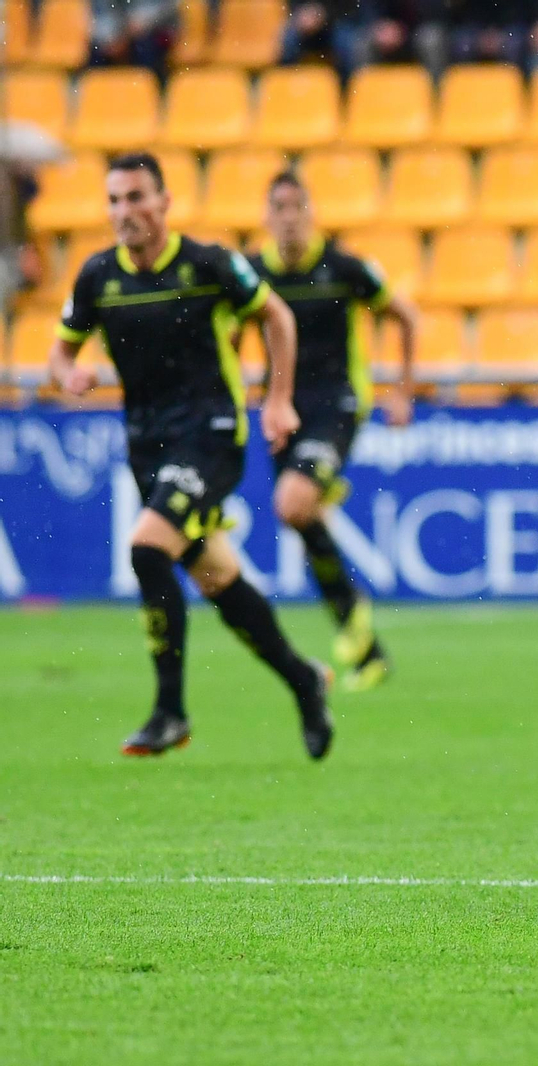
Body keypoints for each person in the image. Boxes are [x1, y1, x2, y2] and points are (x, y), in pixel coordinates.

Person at [46, 153, 334, 760]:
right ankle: (302, 680)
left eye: (137, 198)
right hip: (146, 444)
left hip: (211, 434)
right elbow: (60, 352)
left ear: (165, 201)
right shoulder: (98, 277)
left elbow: (275, 317)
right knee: (218, 580)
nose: (126, 212)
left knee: (148, 548)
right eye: (115, 200)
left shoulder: (209, 263)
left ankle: (169, 711)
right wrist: (68, 375)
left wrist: (278, 400)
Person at [248, 171, 418, 691]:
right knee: (302, 518)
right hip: (283, 409)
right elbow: (229, 331)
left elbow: (405, 316)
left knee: (293, 504)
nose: (289, 217)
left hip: (337, 406)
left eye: (297, 206)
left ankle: (353, 616)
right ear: (267, 217)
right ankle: (364, 645)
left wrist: (404, 390)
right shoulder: (252, 274)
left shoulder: (343, 267)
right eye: (279, 207)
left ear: (311, 212)